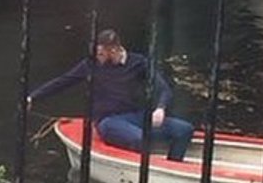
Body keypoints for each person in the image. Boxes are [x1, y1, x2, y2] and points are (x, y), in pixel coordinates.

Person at [28, 28, 194, 160]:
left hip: (136, 116)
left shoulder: (138, 63)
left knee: (184, 130)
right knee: (138, 138)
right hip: (108, 121)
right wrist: (33, 97)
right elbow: (63, 81)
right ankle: (142, 173)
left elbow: (163, 88)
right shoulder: (91, 65)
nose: (97, 57)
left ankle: (173, 165)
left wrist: (160, 108)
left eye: (101, 54)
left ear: (114, 50)